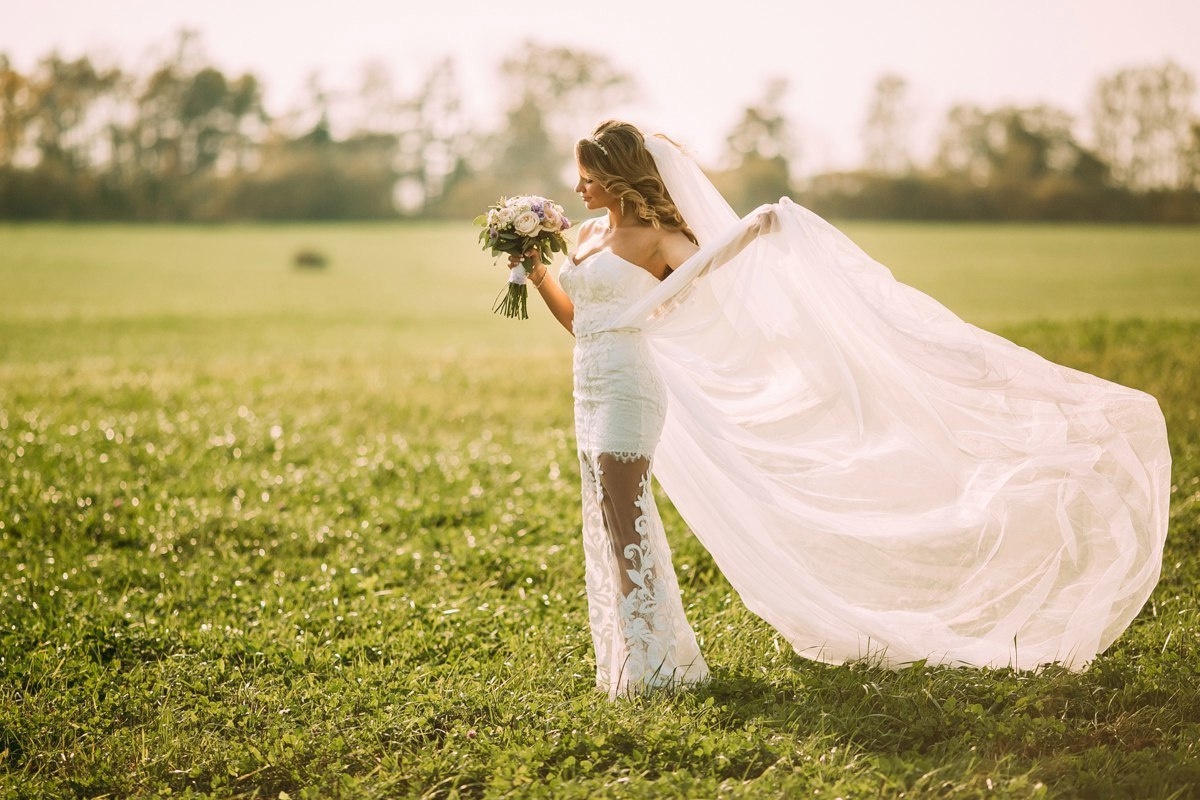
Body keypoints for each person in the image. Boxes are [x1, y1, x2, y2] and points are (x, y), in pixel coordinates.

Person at [508, 120, 1172, 700]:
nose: (578, 187)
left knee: (626, 518)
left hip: (630, 387)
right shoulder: (590, 237)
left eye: (588, 174)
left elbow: (712, 273)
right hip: (588, 385)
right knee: (607, 515)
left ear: (619, 174)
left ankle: (654, 665)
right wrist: (535, 268)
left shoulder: (658, 238)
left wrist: (757, 232)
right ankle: (642, 659)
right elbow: (581, 324)